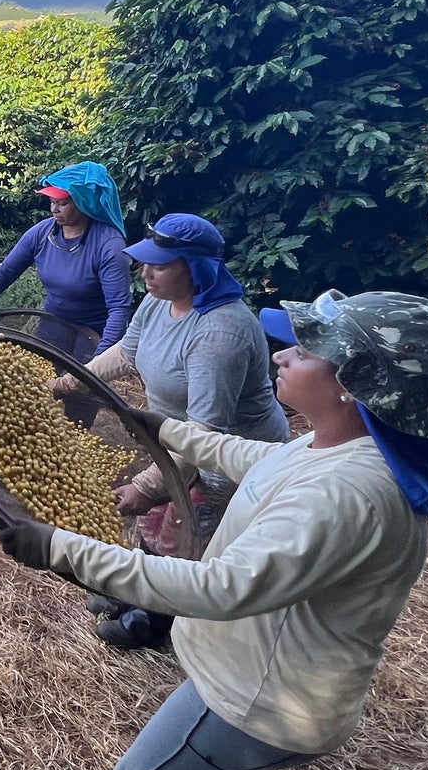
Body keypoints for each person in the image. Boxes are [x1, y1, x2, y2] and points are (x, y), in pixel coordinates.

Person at [0, 289, 428, 770]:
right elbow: (255, 459)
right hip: (283, 685)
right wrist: (161, 428)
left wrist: (63, 550)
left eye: (308, 352)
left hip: (259, 696)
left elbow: (219, 589)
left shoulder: (346, 494)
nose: (283, 355)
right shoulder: (339, 446)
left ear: (354, 387)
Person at [62, 213, 289, 651]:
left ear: (195, 268)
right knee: (154, 527)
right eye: (145, 262)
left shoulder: (220, 332)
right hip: (173, 444)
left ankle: (155, 620)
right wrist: (74, 379)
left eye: (160, 265)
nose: (145, 273)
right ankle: (137, 590)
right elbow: (126, 354)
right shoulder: (157, 301)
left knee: (187, 539)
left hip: (225, 461)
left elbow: (206, 434)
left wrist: (147, 485)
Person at [0, 161, 132, 358]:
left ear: (84, 203)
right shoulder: (42, 232)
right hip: (53, 324)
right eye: (52, 202)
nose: (54, 209)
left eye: (63, 203)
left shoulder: (109, 245)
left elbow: (118, 309)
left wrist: (99, 360)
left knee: (77, 387)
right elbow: (6, 271)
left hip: (94, 334)